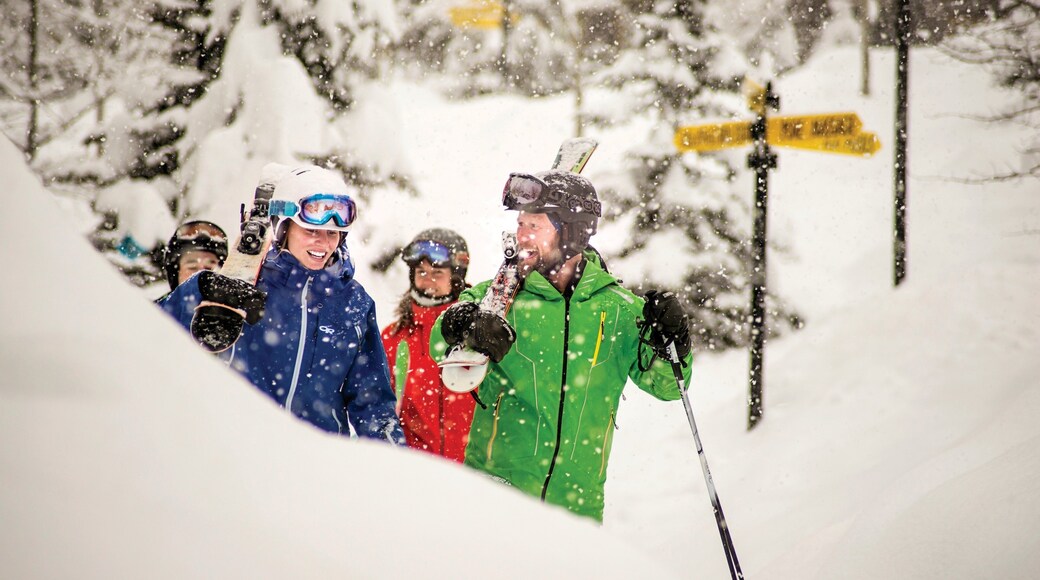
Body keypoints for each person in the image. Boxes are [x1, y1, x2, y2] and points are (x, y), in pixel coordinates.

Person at [431, 169, 693, 522]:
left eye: (533, 226)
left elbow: (668, 386)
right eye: (520, 224)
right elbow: (439, 346)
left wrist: (673, 343)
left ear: (571, 234)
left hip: (577, 509)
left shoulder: (618, 310)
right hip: (496, 497)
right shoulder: (499, 298)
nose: (520, 235)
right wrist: (459, 323)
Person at [159, 165, 403, 443]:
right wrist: (197, 291)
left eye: (333, 233)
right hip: (237, 453)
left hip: (317, 463)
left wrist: (394, 462)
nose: (323, 243)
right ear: (284, 227)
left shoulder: (353, 302)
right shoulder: (243, 283)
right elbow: (149, 330)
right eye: (311, 229)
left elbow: (372, 404)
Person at [381, 228, 474, 461]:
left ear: (456, 277)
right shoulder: (393, 338)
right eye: (421, 271)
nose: (427, 280)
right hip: (417, 472)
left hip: (473, 473)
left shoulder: (478, 335)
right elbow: (378, 407)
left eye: (437, 272)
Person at [155, 220, 229, 302]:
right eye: (192, 267)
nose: (201, 275)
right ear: (176, 274)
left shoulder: (238, 311)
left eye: (209, 268)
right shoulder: (153, 311)